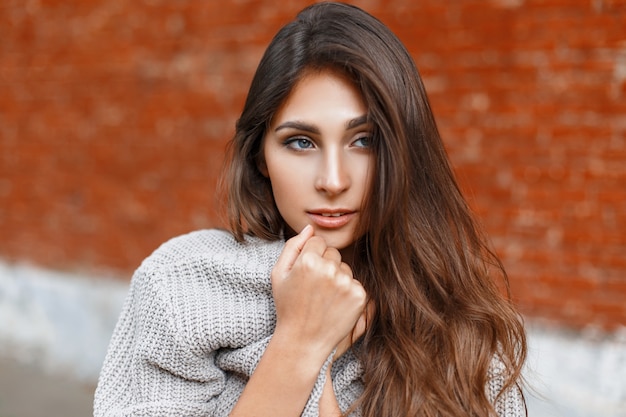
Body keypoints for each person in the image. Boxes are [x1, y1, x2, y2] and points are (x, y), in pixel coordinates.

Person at [94, 2, 527, 416]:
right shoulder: (184, 288)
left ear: (404, 150)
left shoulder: (462, 330)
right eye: (301, 142)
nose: (334, 181)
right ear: (260, 155)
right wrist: (300, 343)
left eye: (364, 141)